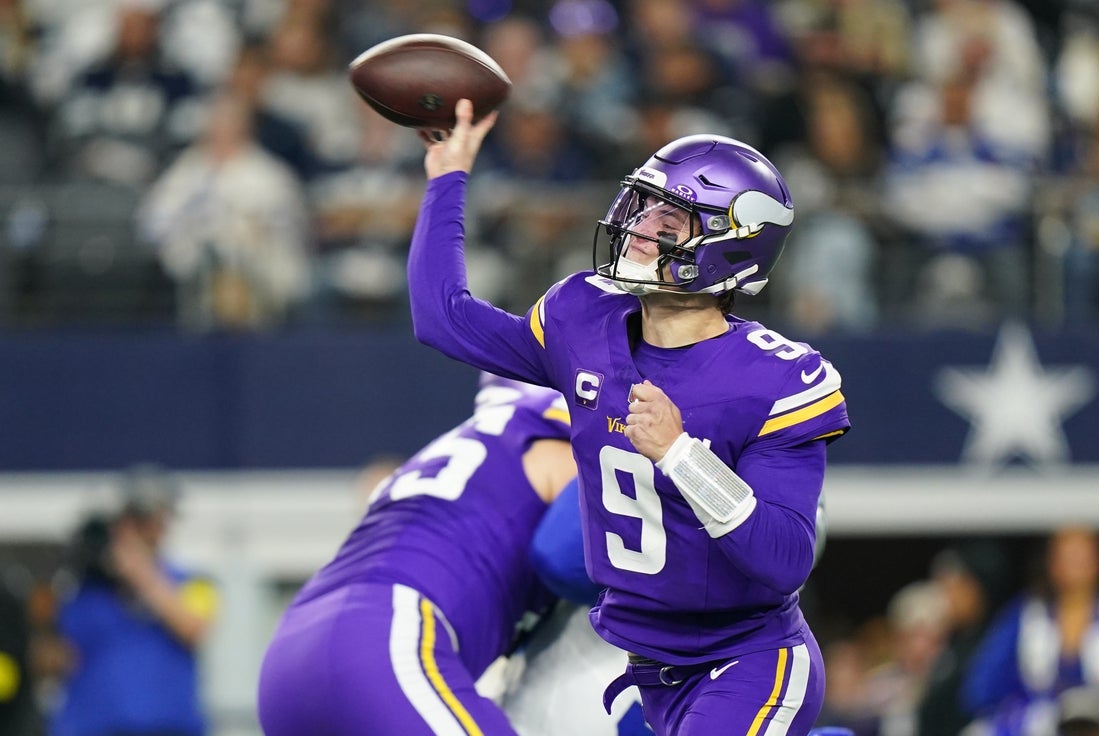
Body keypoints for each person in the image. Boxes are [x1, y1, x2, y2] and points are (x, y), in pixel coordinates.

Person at [406, 99, 851, 735]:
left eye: (669, 219)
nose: (639, 228)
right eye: (641, 207)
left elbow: (785, 559)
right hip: (647, 669)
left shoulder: (777, 378)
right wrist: (447, 178)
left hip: (748, 661)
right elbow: (443, 318)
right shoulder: (584, 317)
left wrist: (682, 456)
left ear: (732, 243)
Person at [256, 375, 578, 736]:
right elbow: (567, 556)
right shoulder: (551, 446)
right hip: (384, 636)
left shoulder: (466, 446)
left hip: (289, 649)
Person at [50, 464, 218, 736]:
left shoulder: (193, 582)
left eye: (156, 521)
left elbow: (193, 629)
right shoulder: (87, 589)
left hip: (169, 728)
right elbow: (59, 654)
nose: (151, 530)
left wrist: (140, 573)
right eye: (139, 521)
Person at [961, 526, 1099, 736]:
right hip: (1038, 722)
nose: (1075, 566)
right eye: (1067, 557)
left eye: (1082, 557)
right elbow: (980, 686)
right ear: (1052, 563)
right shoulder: (1027, 615)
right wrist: (1018, 708)